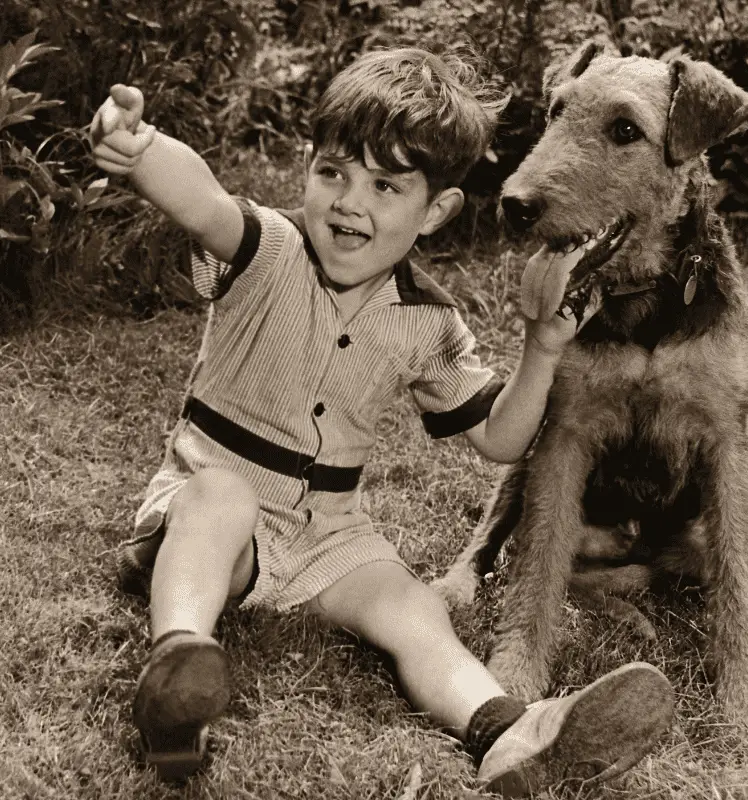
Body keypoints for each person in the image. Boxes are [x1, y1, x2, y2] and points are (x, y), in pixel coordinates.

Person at [90, 47, 674, 794]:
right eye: (332, 172)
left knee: (412, 603)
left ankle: (507, 731)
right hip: (213, 514)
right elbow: (200, 198)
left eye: (385, 185)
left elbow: (501, 438)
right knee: (220, 499)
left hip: (330, 535)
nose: (348, 202)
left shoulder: (428, 321)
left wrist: (541, 347)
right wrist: (141, 152)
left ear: (435, 211)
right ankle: (178, 668)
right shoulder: (267, 249)